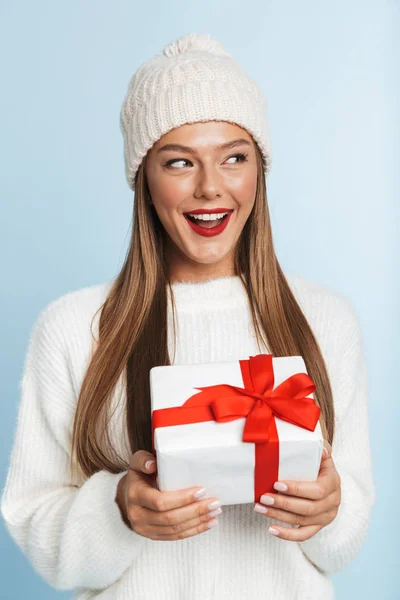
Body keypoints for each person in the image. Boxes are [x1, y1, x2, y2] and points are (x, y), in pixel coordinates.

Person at [1, 32, 375, 600]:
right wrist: (118, 510)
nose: (211, 188)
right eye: (179, 162)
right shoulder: (73, 328)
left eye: (234, 158)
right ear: (143, 178)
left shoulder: (325, 320)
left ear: (259, 170)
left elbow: (344, 543)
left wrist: (331, 507)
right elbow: (36, 529)